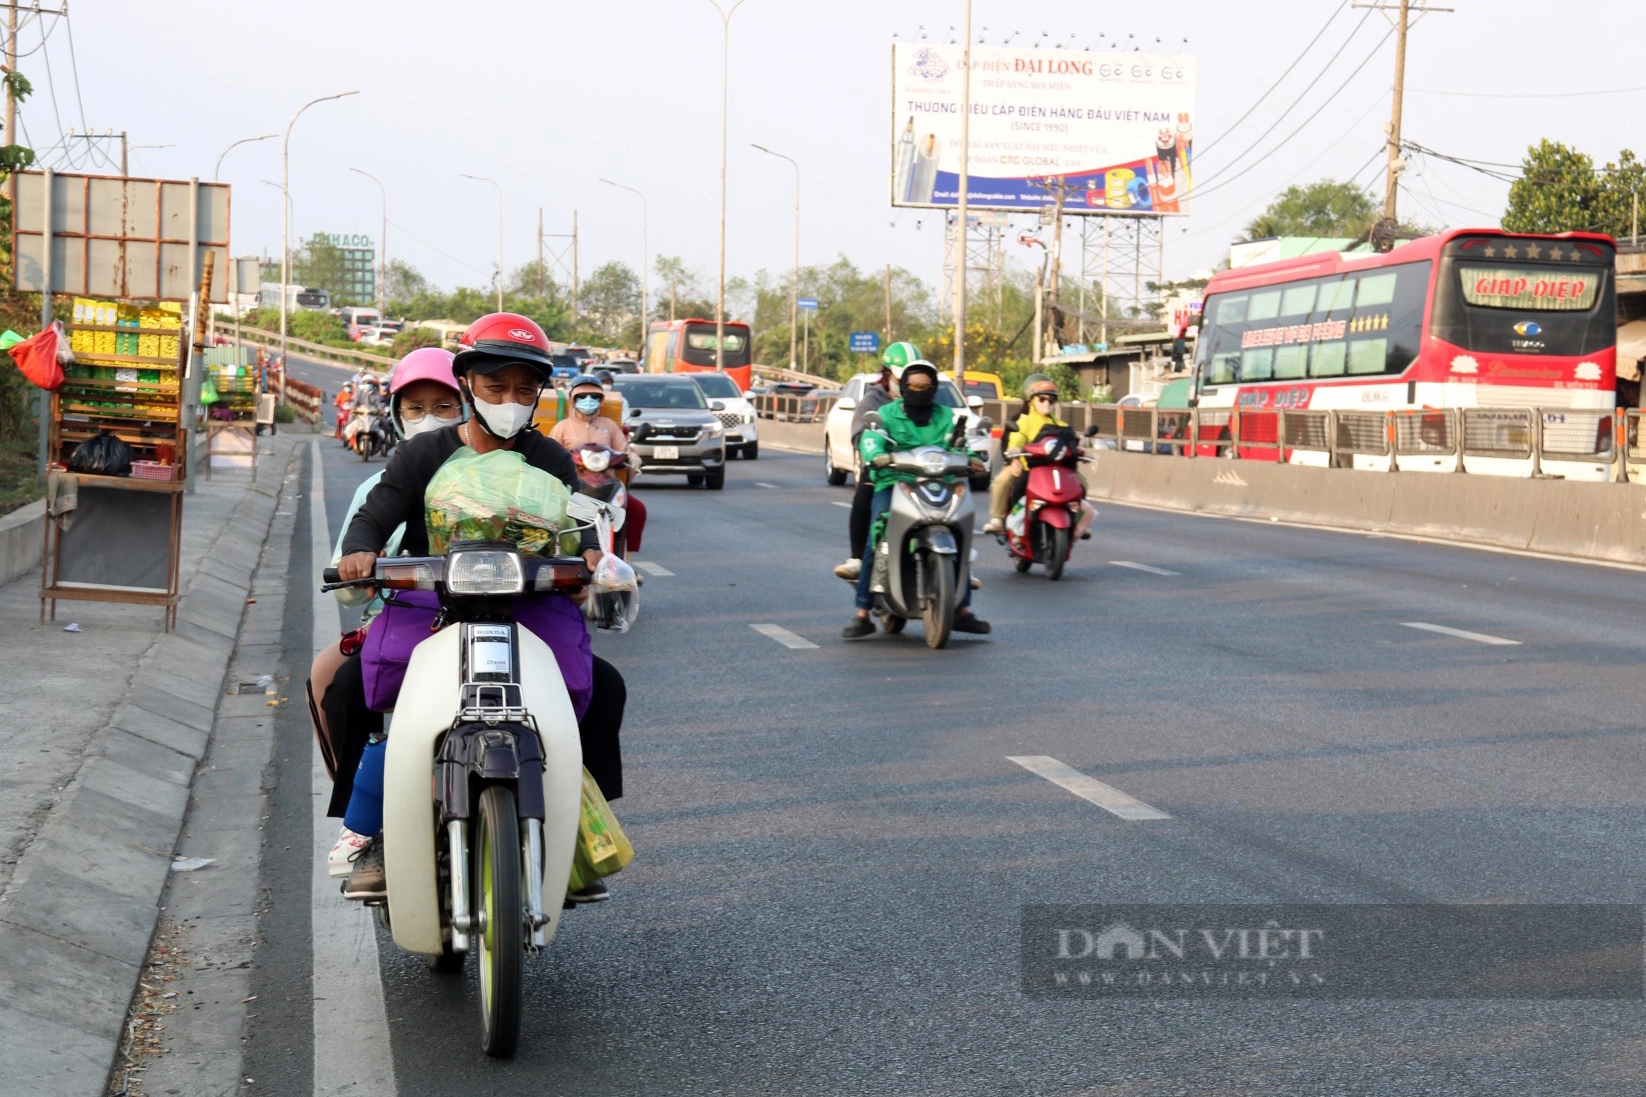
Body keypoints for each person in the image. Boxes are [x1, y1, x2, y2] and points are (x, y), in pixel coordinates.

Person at [324, 314, 625, 903]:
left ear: (538, 393)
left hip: (527, 602)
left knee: (603, 689)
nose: (510, 401)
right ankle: (369, 830)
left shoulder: (548, 459)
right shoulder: (424, 456)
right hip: (432, 598)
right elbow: (378, 511)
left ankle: (575, 829)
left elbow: (581, 522)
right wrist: (361, 550)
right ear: (467, 385)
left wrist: (593, 561)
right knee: (349, 689)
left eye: (522, 389)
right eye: (495, 388)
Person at [307, 347, 466, 830]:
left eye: (443, 407)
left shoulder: (502, 476)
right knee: (329, 681)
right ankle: (358, 818)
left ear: (466, 408)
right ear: (396, 416)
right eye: (415, 408)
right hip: (401, 621)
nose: (429, 419)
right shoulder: (380, 486)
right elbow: (347, 583)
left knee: (586, 683)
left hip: (490, 621)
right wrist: (358, 569)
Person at [843, 360, 990, 639]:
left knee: (960, 534)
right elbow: (871, 440)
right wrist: (877, 455)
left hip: (940, 483)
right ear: (903, 387)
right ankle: (862, 612)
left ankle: (961, 610)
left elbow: (960, 444)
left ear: (934, 389)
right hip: (895, 482)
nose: (919, 390)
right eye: (913, 385)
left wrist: (972, 459)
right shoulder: (885, 414)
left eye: (925, 386)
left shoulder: (947, 415)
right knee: (879, 537)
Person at [832, 340, 919, 581]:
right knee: (863, 494)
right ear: (887, 374)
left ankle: (958, 566)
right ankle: (858, 558)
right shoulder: (873, 402)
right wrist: (877, 454)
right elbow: (860, 436)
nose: (908, 385)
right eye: (902, 378)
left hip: (921, 472)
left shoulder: (927, 403)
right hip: (885, 471)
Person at [983, 375, 1094, 539]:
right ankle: (1000, 520)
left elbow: (1072, 445)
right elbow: (1015, 440)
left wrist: (1083, 453)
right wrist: (1015, 459)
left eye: (1051, 400)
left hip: (1056, 470)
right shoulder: (1023, 421)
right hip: (1029, 468)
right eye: (1042, 399)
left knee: (1081, 484)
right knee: (1003, 481)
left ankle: (1075, 520)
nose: (1047, 403)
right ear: (1031, 400)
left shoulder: (1062, 425)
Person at [549, 374, 647, 553]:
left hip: (607, 485)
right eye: (583, 397)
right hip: (573, 487)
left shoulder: (609, 425)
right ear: (573, 399)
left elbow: (625, 449)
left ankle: (627, 562)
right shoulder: (562, 427)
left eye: (594, 397)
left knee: (636, 511)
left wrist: (633, 457)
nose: (588, 401)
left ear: (600, 400)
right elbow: (549, 452)